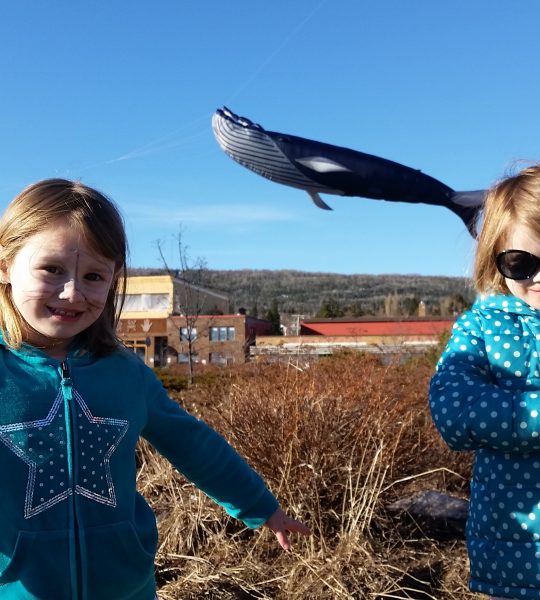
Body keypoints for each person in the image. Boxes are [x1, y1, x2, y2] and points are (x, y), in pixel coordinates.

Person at [0, 178, 310, 599]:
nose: (72, 292)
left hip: (126, 585)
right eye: (51, 269)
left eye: (94, 275)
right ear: (5, 265)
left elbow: (193, 444)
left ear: (113, 282)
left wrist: (261, 507)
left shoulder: (126, 374)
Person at [429, 165, 540, 600]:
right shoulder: (481, 327)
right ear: (495, 259)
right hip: (521, 564)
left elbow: (482, 412)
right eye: (521, 263)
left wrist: (516, 416)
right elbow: (454, 410)